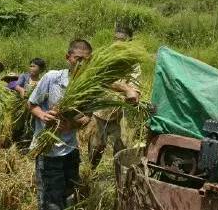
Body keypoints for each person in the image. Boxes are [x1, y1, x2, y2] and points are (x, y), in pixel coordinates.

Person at [28, 40, 92, 210]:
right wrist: (43, 115)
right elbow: (32, 104)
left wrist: (72, 124)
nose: (81, 63)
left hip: (71, 149)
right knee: (51, 201)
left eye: (86, 60)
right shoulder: (52, 78)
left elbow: (87, 117)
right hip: (49, 151)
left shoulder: (88, 86)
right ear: (67, 57)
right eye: (77, 58)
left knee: (69, 194)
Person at [88, 25, 141, 170]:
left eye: (122, 40)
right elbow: (100, 79)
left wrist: (133, 93)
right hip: (100, 113)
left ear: (129, 42)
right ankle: (87, 180)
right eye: (116, 39)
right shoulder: (104, 59)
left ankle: (121, 187)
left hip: (121, 117)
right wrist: (126, 88)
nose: (118, 43)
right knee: (94, 152)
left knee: (122, 156)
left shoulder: (133, 64)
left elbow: (135, 88)